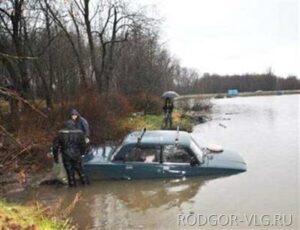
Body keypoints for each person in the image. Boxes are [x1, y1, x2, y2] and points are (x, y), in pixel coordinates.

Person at [53, 120, 88, 187]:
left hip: (66, 155)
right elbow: (83, 145)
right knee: (80, 171)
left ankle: (72, 189)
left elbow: (55, 147)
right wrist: (82, 153)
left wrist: (56, 158)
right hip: (77, 154)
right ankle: (86, 186)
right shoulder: (80, 132)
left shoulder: (60, 133)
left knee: (69, 173)